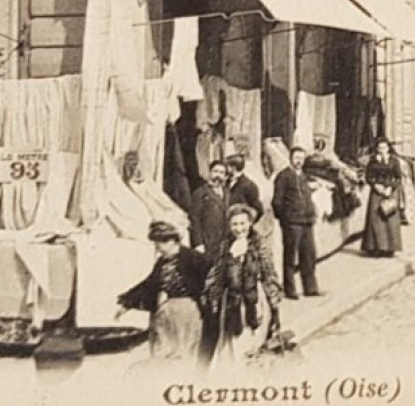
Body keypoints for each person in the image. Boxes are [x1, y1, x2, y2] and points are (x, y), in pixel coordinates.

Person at [117, 220, 210, 365]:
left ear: (173, 241)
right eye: (156, 244)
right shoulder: (162, 262)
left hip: (187, 315)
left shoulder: (195, 259)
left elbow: (210, 283)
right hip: (165, 315)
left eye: (161, 244)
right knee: (162, 354)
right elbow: (149, 285)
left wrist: (206, 308)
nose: (158, 249)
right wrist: (126, 303)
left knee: (184, 356)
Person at [202, 204, 283, 366]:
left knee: (255, 338)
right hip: (232, 302)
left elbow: (269, 273)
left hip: (256, 300)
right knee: (234, 344)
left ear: (250, 223)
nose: (239, 229)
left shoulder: (259, 244)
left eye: (242, 224)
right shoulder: (225, 246)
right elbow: (217, 275)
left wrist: (273, 300)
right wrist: (213, 299)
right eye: (234, 224)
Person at [272, 148, 322, 300]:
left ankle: (310, 288)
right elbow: (277, 201)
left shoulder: (303, 177)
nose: (299, 161)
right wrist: (284, 219)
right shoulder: (283, 176)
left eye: (301, 158)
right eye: (296, 158)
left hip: (307, 221)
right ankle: (290, 289)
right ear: (290, 158)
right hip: (292, 223)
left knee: (309, 255)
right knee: (290, 257)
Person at [361, 140, 404, 259]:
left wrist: (390, 187)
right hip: (377, 192)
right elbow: (368, 176)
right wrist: (375, 185)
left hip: (390, 191)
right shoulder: (372, 161)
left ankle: (390, 248)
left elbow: (399, 177)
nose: (382, 150)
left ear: (388, 148)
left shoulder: (394, 161)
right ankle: (375, 247)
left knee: (390, 220)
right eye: (379, 148)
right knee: (375, 219)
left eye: (384, 148)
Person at [189, 160, 232, 257]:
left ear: (225, 176)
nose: (218, 175)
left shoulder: (227, 193)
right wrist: (198, 243)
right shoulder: (200, 193)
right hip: (207, 243)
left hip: (224, 243)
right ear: (210, 173)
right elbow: (194, 219)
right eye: (215, 171)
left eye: (221, 173)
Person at [224, 152, 265, 224]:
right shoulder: (225, 183)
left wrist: (248, 224)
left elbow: (258, 210)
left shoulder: (249, 186)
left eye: (227, 166)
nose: (225, 169)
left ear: (233, 168)